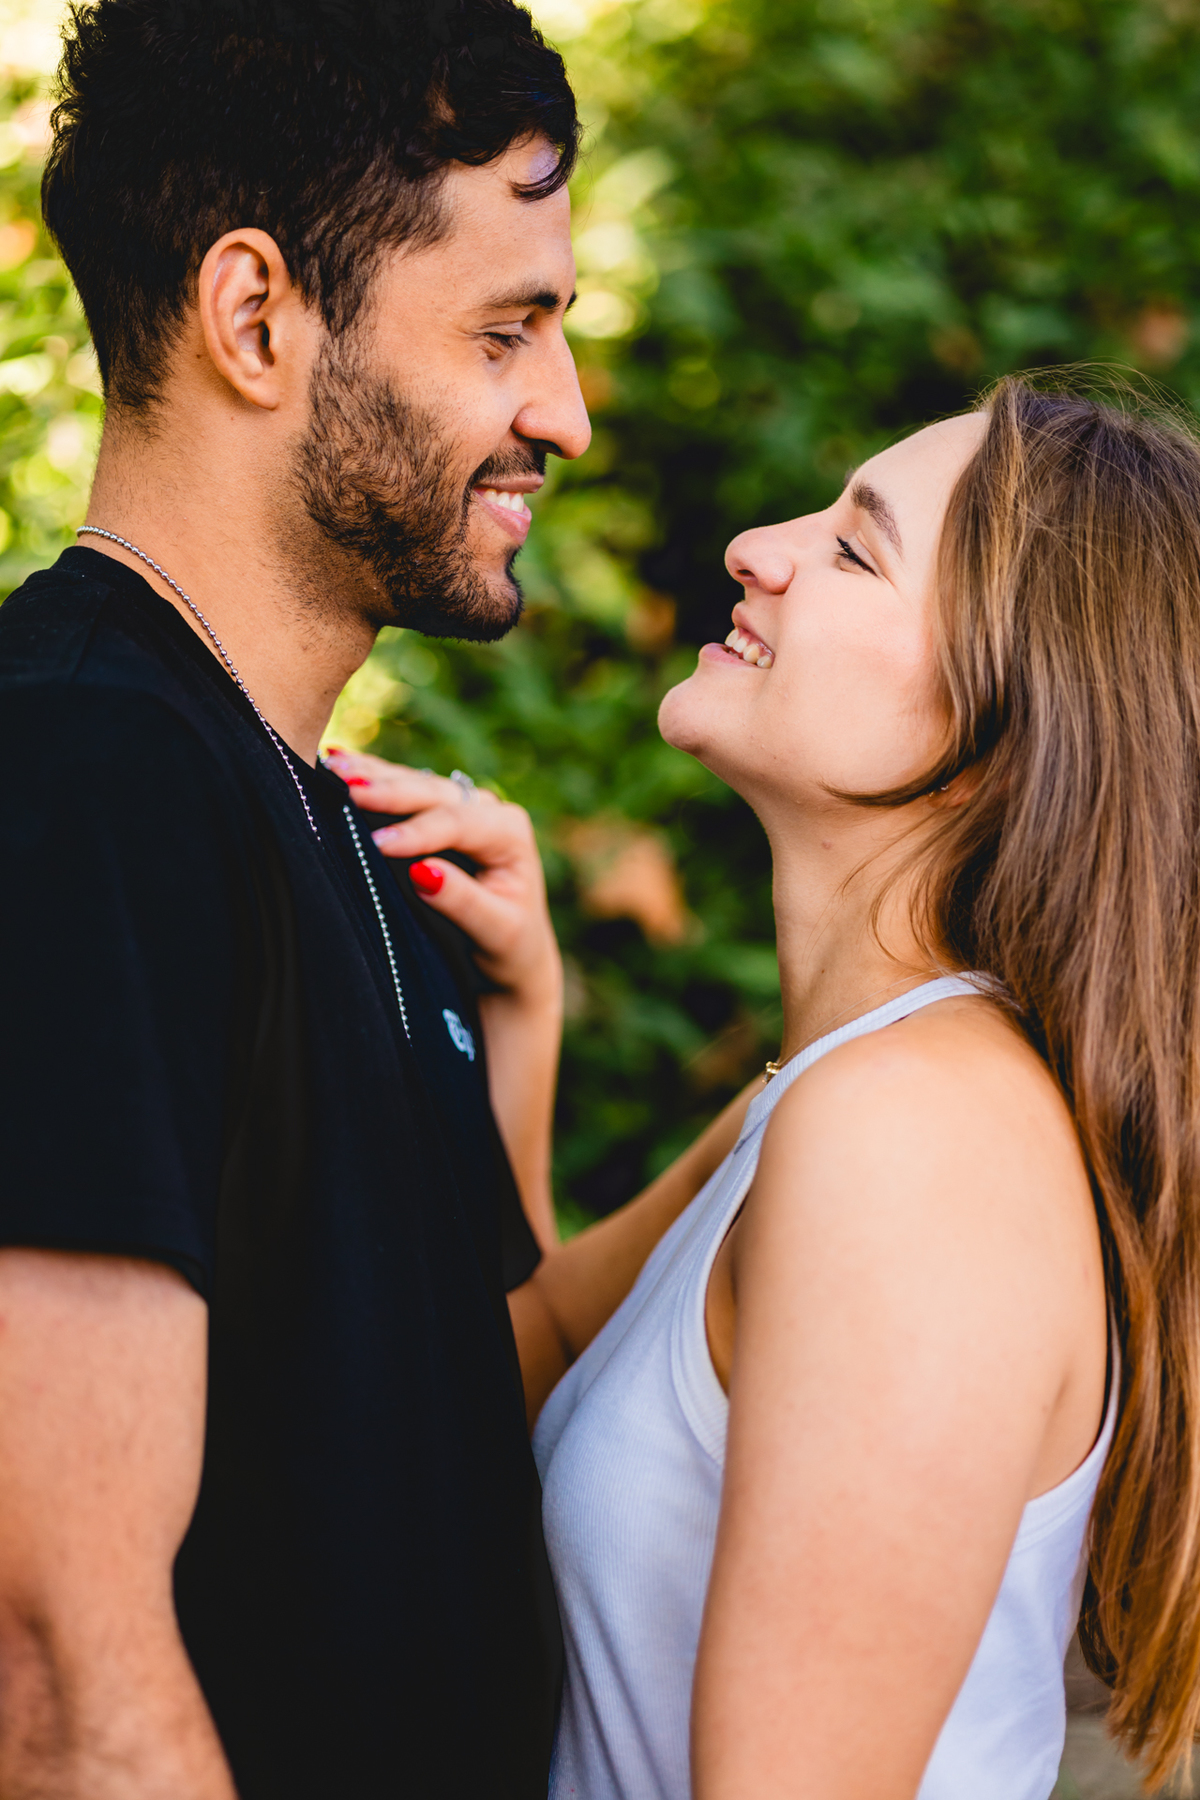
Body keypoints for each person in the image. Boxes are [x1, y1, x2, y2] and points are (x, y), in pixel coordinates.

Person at [0, 2, 589, 1796]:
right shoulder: (85, 780)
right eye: (506, 330)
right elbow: (54, 1658)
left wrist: (841, 1052)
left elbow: (454, 1403)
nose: (562, 414)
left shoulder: (310, 812)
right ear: (257, 315)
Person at [467, 376, 1200, 1799]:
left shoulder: (918, 1148)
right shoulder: (831, 1097)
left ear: (1005, 736)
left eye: (857, 549)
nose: (759, 546)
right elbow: (527, 1355)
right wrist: (524, 1031)